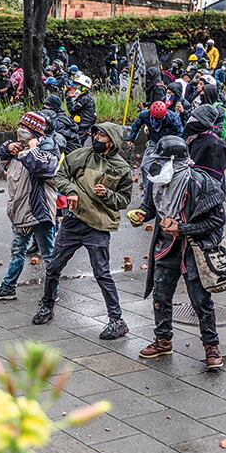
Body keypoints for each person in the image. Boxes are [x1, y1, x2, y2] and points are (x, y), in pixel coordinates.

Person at [127, 136, 226, 369]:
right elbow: (151, 207)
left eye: (163, 160)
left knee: (201, 300)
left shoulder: (203, 183)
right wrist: (142, 213)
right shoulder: (156, 180)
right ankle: (163, 340)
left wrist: (182, 228)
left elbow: (217, 220)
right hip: (166, 248)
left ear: (177, 162)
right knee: (161, 296)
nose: (158, 165)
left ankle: (211, 346)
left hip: (194, 249)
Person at [34, 124, 132, 340]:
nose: (97, 138)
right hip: (73, 221)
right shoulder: (80, 155)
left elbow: (124, 200)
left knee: (102, 274)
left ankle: (117, 320)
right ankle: (47, 305)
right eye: (95, 134)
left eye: (102, 135)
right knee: (54, 267)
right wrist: (70, 191)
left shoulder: (122, 168)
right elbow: (60, 175)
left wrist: (107, 194)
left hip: (98, 226)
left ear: (113, 140)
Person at [0, 112, 60, 301]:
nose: (21, 131)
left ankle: (52, 293)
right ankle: (8, 287)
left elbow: (39, 166)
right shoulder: (17, 152)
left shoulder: (47, 150)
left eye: (25, 128)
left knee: (48, 254)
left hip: (39, 212)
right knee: (17, 251)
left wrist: (31, 149)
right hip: (19, 212)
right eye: (20, 126)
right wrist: (9, 146)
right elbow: (3, 157)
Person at [126, 101, 183, 187]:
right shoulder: (144, 115)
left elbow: (180, 134)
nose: (157, 121)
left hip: (168, 144)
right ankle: (147, 188)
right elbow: (136, 126)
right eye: (155, 119)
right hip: (154, 141)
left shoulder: (173, 118)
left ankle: (163, 187)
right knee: (145, 166)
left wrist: (175, 149)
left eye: (160, 119)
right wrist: (131, 139)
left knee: (165, 168)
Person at [183, 104, 226, 187]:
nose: (190, 121)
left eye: (194, 118)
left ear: (203, 122)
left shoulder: (214, 145)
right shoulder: (195, 139)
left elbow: (214, 176)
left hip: (207, 189)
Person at [66, 74, 96, 145]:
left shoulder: (84, 99)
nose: (74, 87)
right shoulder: (83, 97)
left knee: (76, 145)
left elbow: (72, 111)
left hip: (82, 127)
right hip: (81, 126)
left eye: (77, 85)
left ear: (83, 88)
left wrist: (69, 98)